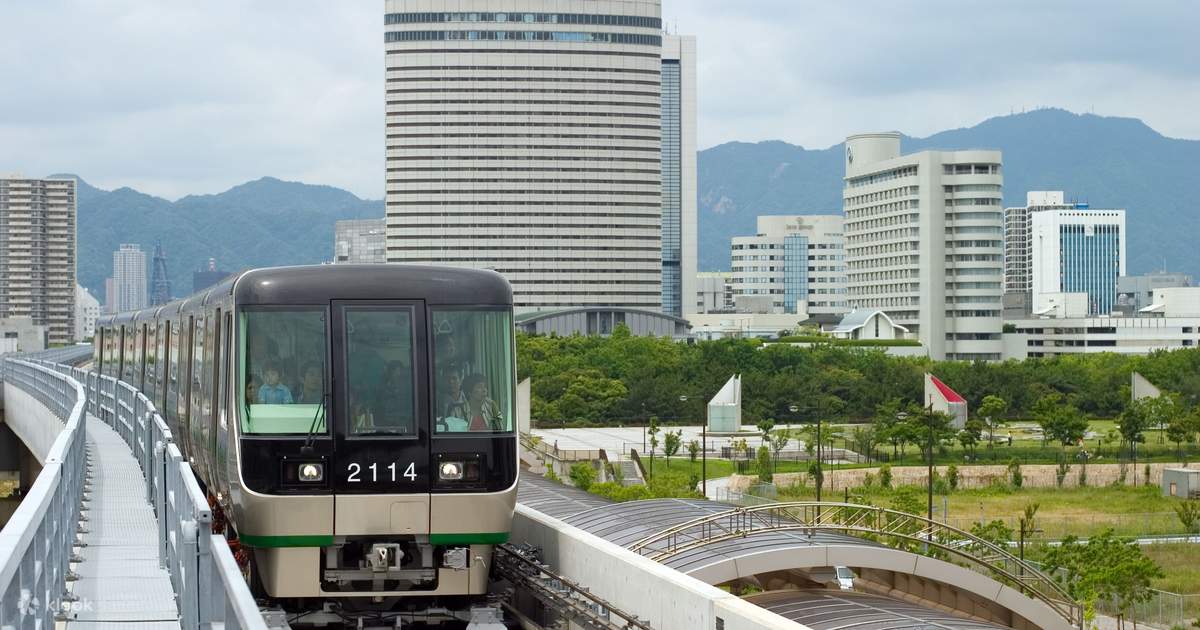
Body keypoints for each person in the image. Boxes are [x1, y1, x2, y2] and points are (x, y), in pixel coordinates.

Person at [368, 361, 414, 433]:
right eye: (396, 371)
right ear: (390, 372)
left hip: (403, 420)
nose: (399, 374)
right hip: (386, 422)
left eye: (400, 371)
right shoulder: (382, 386)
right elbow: (379, 404)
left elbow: (407, 405)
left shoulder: (407, 386)